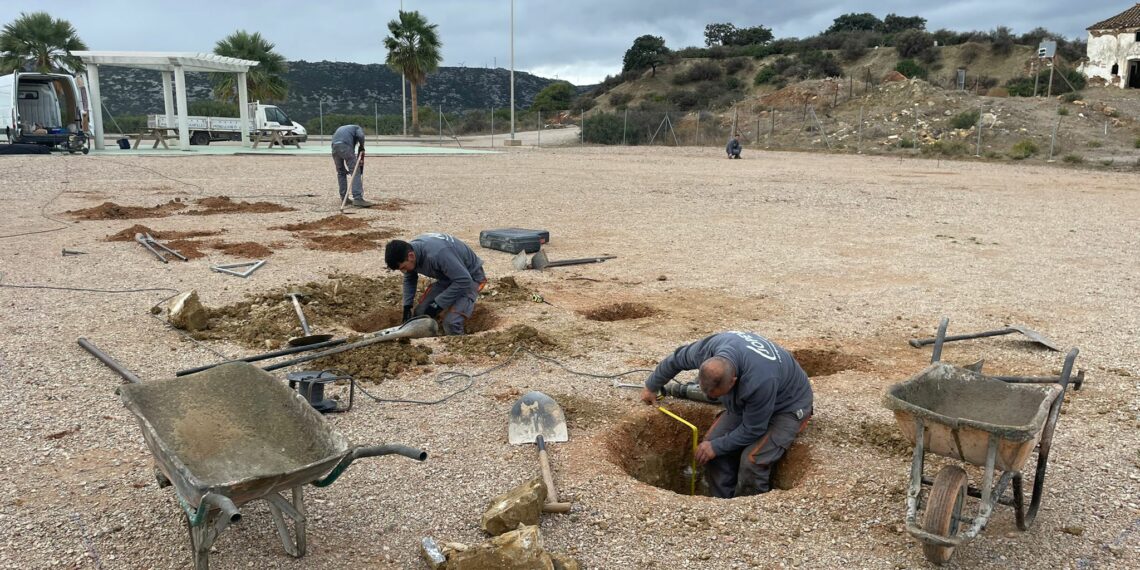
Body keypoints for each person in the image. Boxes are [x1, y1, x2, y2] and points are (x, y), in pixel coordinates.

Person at [640, 331, 813, 498]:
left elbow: (754, 429)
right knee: (709, 446)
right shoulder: (708, 351)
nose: (712, 398)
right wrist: (651, 385)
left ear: (733, 381)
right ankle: (722, 502)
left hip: (788, 406)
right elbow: (677, 359)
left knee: (752, 461)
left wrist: (717, 447)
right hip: (750, 401)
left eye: (719, 395)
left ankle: (745, 511)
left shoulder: (759, 382)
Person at [384, 233, 487, 336]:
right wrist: (407, 306)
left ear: (411, 256)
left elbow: (464, 280)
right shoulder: (409, 252)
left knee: (451, 323)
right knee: (421, 313)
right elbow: (410, 278)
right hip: (447, 277)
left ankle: (458, 345)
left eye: (403, 267)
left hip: (471, 277)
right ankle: (431, 340)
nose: (404, 271)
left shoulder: (437, 254)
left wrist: (437, 304)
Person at [331, 124, 373, 208]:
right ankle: (358, 198)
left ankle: (344, 198)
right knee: (355, 171)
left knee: (341, 173)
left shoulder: (344, 129)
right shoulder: (357, 128)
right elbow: (361, 135)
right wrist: (361, 145)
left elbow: (350, 149)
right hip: (344, 146)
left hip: (334, 147)